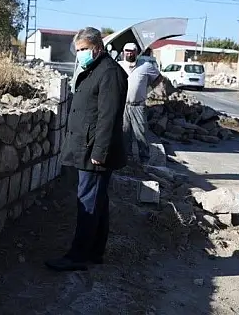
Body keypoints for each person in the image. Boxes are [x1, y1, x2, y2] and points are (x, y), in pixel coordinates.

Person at [45, 27, 128, 272]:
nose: (80, 54)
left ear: (98, 47)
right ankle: (94, 252)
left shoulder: (109, 73)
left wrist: (99, 153)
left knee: (88, 202)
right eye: (78, 50)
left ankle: (78, 256)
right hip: (88, 148)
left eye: (84, 49)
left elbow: (108, 118)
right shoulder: (95, 70)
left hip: (95, 152)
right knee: (97, 202)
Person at [117, 42, 162, 165]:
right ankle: (126, 159)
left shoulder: (146, 66)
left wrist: (147, 90)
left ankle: (144, 160)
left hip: (138, 106)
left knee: (140, 133)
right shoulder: (118, 66)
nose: (129, 53)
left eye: (132, 51)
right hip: (123, 105)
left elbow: (158, 78)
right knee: (124, 133)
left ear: (137, 53)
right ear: (123, 52)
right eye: (127, 50)